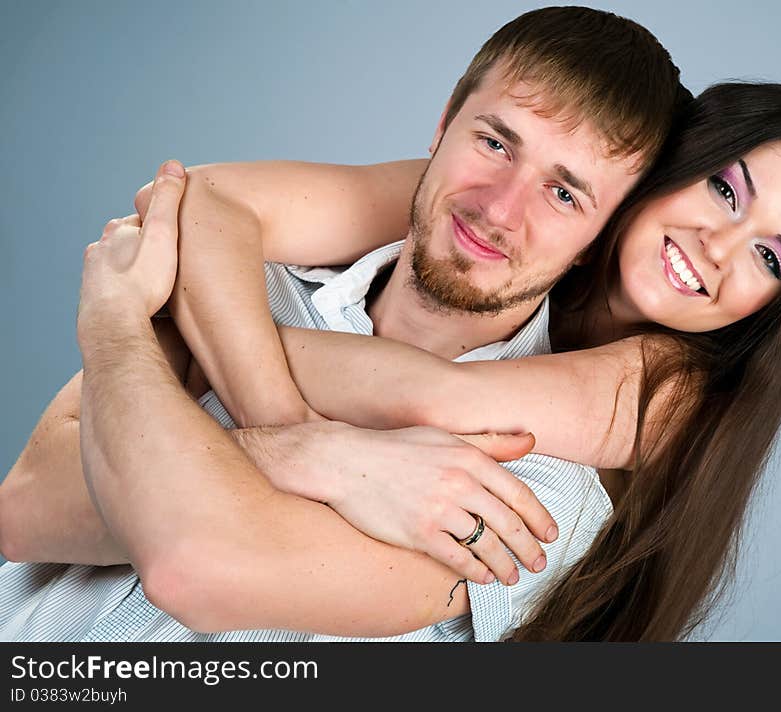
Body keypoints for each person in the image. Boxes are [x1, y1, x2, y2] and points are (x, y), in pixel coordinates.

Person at [0, 6, 687, 641]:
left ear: (598, 245)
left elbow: (201, 561)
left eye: (564, 193)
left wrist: (114, 319)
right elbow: (27, 507)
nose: (499, 208)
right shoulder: (238, 283)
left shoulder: (542, 485)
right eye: (495, 143)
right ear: (443, 125)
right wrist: (309, 450)